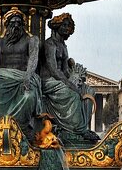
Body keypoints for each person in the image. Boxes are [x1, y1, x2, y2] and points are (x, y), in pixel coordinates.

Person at [37, 13, 97, 144]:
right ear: (56, 26)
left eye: (68, 26)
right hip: (48, 81)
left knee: (87, 90)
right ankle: (77, 129)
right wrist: (70, 84)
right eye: (64, 25)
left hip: (59, 79)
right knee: (73, 94)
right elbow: (53, 69)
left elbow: (64, 70)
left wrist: (75, 78)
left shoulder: (63, 46)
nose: (66, 28)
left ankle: (82, 127)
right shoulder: (50, 44)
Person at [0, 8, 42, 136]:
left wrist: (28, 77)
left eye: (19, 23)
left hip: (24, 75)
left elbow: (33, 59)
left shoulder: (31, 40)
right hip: (2, 77)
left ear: (23, 25)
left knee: (29, 96)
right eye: (13, 23)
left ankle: (23, 128)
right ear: (7, 24)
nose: (16, 25)